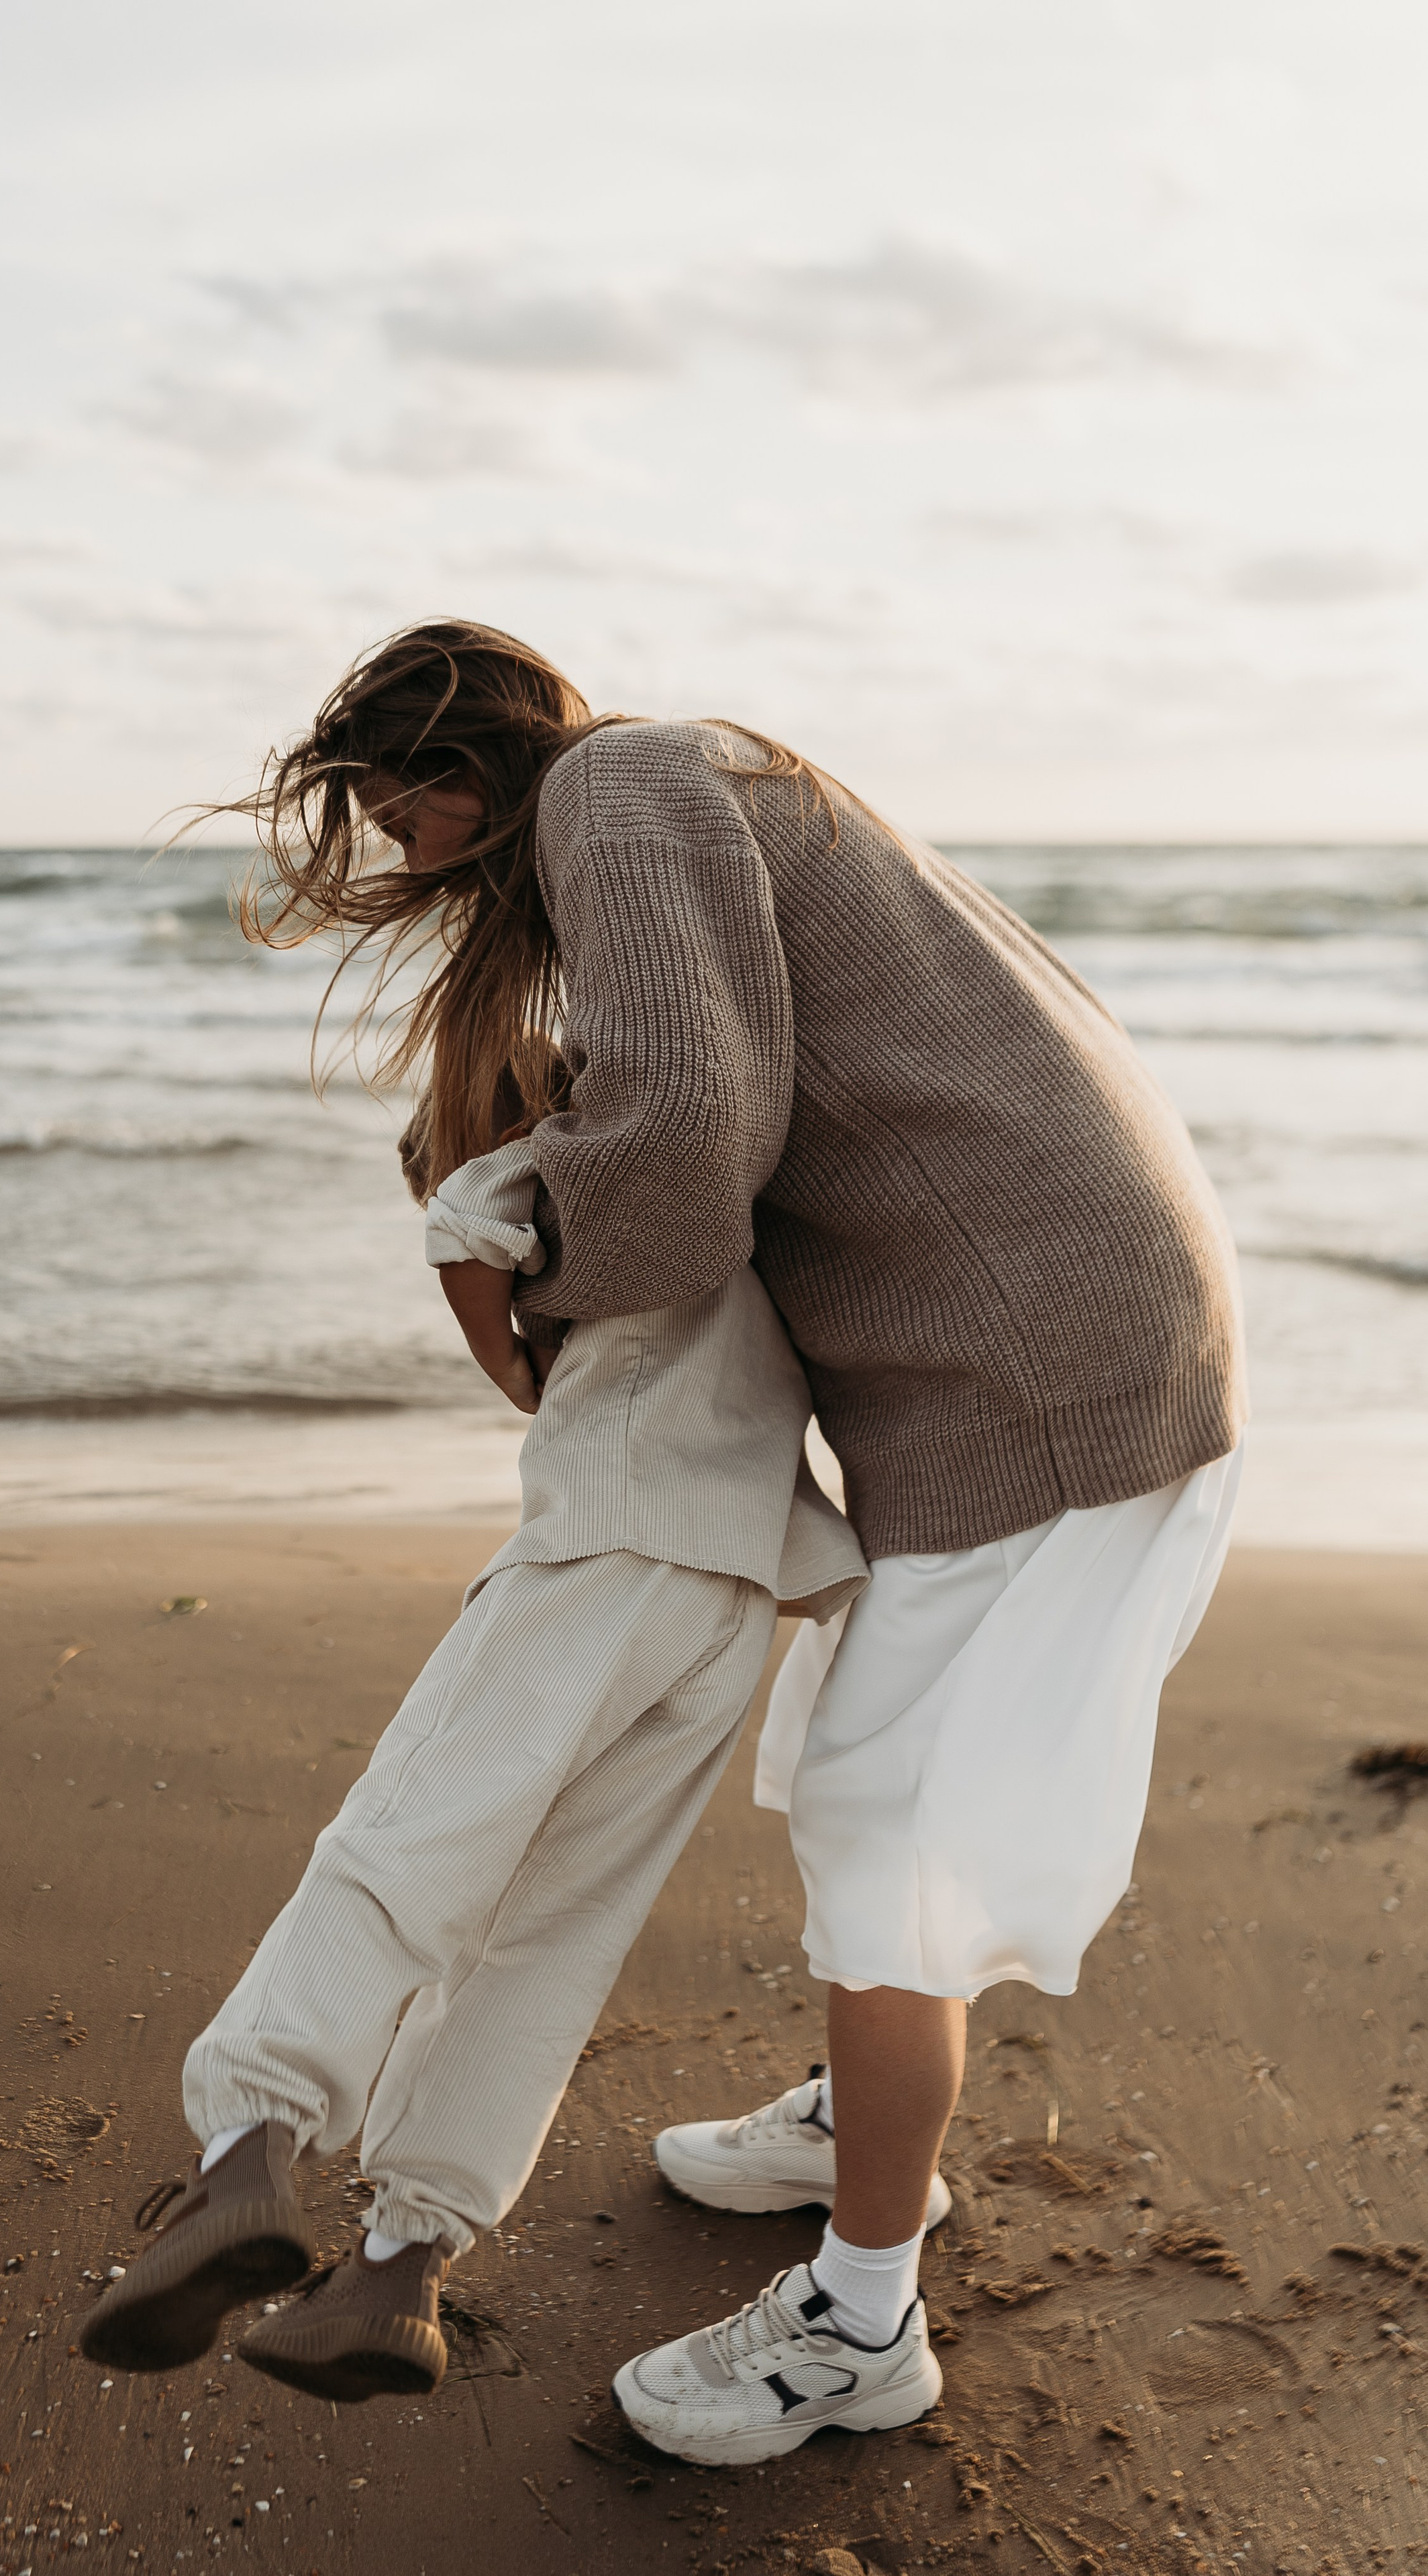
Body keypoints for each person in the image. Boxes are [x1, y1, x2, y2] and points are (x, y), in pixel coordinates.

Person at [85, 616, 1245, 2465]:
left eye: (386, 817)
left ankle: (863, 2315)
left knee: (870, 1847)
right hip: (1032, 1360)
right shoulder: (704, 786)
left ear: (441, 775)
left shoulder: (621, 783)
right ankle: (842, 2132)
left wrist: (541, 1280)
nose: (393, 859)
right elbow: (727, 1135)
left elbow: (697, 1139)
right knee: (833, 1816)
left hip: (1036, 1381)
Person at [77, 1086, 877, 2406]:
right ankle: (399, 2265)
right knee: (552, 1940)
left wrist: (509, 1367)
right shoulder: (729, 1209)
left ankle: (250, 2144)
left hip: (596, 1557)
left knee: (404, 1846)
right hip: (728, 1607)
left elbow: (466, 1218)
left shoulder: (573, 1155)